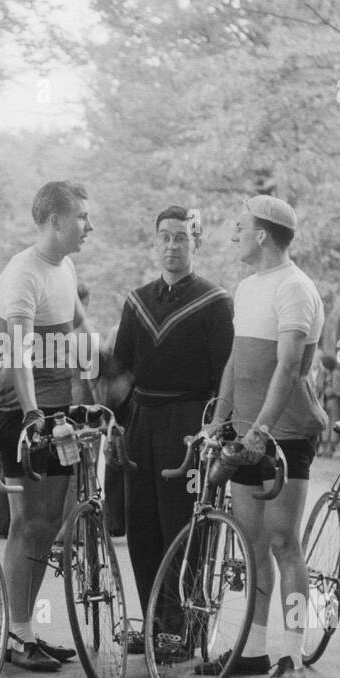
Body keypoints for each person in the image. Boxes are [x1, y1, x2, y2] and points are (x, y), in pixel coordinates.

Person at [209, 194, 326, 678]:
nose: (233, 235)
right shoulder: (248, 285)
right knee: (250, 541)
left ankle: (294, 656)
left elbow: (288, 366)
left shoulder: (295, 288)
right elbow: (237, 360)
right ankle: (253, 649)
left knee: (283, 541)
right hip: (245, 431)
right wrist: (221, 420)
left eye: (240, 227)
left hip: (285, 433)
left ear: (261, 234)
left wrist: (261, 429)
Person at [106, 205, 232, 644]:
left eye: (182, 237)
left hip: (188, 423)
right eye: (165, 237)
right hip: (142, 421)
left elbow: (225, 375)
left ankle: (187, 630)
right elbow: (121, 370)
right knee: (143, 526)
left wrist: (216, 428)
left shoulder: (216, 302)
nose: (173, 245)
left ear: (196, 242)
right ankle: (154, 625)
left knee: (184, 524)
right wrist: (116, 425)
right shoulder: (136, 301)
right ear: (155, 242)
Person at [0, 179, 95, 671]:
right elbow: (16, 353)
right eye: (81, 217)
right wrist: (33, 415)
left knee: (50, 522)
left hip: (58, 414)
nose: (88, 226)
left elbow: (78, 329)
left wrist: (94, 387)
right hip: (23, 413)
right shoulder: (21, 274)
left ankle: (26, 629)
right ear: (55, 221)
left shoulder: (66, 266)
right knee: (28, 523)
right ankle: (15, 635)